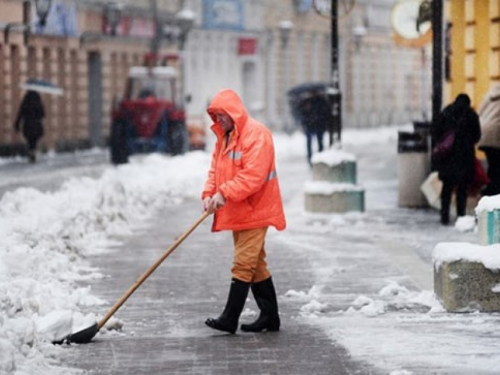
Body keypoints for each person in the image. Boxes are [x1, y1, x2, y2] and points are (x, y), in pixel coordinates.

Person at [201, 89, 286, 334]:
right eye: (216, 115)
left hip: (257, 209)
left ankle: (230, 318)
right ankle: (270, 317)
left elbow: (253, 176)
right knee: (256, 264)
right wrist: (208, 194)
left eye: (223, 114)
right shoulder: (224, 137)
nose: (219, 120)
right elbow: (214, 172)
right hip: (239, 210)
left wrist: (224, 193)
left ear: (234, 112)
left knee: (243, 263)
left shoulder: (257, 135)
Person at [433, 93, 481, 225]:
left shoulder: (447, 112)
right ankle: (461, 216)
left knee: (447, 188)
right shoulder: (471, 115)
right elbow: (477, 136)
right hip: (464, 158)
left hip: (447, 159)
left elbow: (436, 132)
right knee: (462, 189)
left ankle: (444, 216)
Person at [477, 84, 500, 196]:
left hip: (484, 133)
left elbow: (479, 112)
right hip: (496, 134)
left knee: (493, 164)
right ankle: (492, 192)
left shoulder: (491, 92)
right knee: (496, 166)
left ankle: (490, 190)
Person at [298, 90, 330, 166]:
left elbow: (325, 113)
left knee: (319, 142)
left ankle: (320, 158)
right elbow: (302, 113)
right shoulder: (306, 102)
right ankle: (311, 160)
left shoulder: (321, 101)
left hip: (318, 125)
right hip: (310, 125)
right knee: (310, 143)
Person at [14, 90, 45, 163]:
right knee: (34, 140)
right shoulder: (38, 103)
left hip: (27, 125)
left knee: (29, 140)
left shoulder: (25, 103)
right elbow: (43, 114)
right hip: (37, 125)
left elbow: (20, 114)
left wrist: (17, 125)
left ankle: (31, 152)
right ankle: (33, 151)